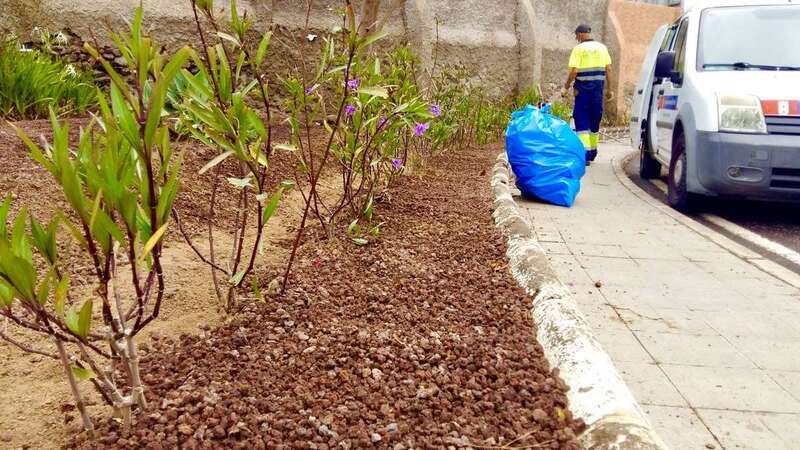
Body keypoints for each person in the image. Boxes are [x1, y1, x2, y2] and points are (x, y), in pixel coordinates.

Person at [562, 24, 612, 165]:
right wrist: (610, 90)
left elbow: (574, 71)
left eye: (576, 35)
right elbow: (609, 69)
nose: (576, 38)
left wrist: (566, 87)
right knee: (595, 119)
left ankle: (584, 154)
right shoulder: (602, 48)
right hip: (597, 91)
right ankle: (592, 152)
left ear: (581, 34)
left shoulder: (578, 49)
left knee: (581, 119)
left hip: (583, 91)